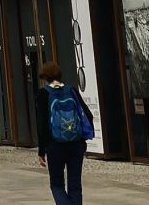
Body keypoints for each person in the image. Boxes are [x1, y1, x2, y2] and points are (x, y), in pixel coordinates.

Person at [36, 60, 93, 205]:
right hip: (76, 144)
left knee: (57, 185)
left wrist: (41, 150)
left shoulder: (43, 93)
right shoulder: (72, 90)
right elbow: (87, 114)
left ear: (45, 77)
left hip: (55, 145)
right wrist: (83, 139)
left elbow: (42, 124)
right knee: (75, 185)